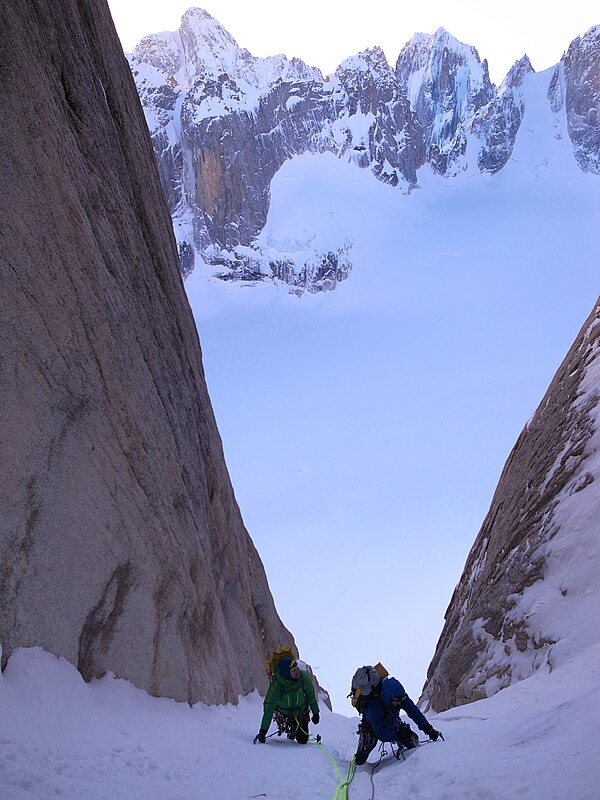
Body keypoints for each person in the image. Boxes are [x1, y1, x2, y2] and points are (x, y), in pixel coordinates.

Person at [350, 665, 442, 765]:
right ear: (389, 699)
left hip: (391, 719)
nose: (400, 703)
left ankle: (402, 738)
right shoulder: (373, 708)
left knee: (410, 739)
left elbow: (413, 710)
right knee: (361, 758)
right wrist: (399, 733)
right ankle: (361, 755)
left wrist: (428, 728)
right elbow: (381, 732)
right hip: (371, 726)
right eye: (396, 701)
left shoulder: (398, 695)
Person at [254, 657, 320, 745]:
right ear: (286, 673)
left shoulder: (303, 678)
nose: (297, 672)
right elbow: (269, 707)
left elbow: (311, 696)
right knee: (298, 735)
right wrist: (263, 731)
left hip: (301, 711)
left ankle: (294, 728)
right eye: (293, 670)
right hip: (284, 713)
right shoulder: (277, 685)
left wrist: (316, 713)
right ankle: (291, 727)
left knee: (303, 740)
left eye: (296, 669)